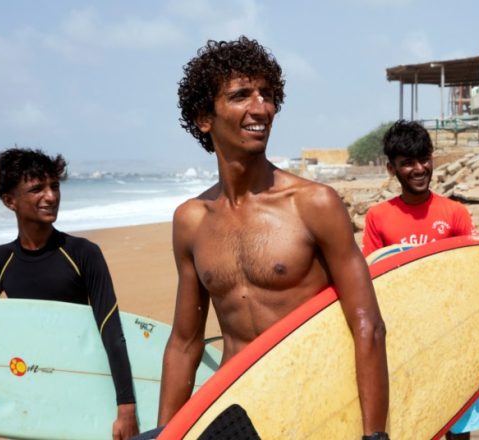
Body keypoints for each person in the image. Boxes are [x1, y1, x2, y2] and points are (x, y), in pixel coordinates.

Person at [157, 36, 390, 439]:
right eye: (241, 95)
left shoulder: (314, 204)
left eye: (267, 94)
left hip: (314, 407)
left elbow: (367, 324)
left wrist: (374, 435)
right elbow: (184, 342)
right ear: (204, 118)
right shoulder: (191, 221)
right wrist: (164, 433)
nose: (260, 107)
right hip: (238, 412)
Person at [0, 148, 139, 440]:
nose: (51, 196)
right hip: (28, 390)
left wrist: (126, 408)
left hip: (81, 387)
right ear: (9, 201)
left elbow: (110, 330)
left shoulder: (83, 254)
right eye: (37, 189)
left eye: (55, 186)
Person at [362, 120, 479, 439]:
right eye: (407, 163)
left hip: (453, 331)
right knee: (413, 421)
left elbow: (470, 274)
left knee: (459, 425)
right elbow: (374, 279)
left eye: (424, 159)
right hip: (405, 337)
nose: (419, 169)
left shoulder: (455, 213)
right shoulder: (378, 217)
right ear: (391, 169)